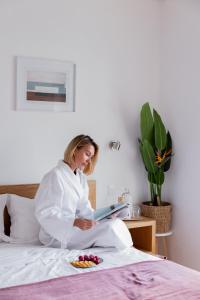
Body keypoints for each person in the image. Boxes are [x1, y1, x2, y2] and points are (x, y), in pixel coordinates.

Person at [35, 134, 132, 250]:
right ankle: (126, 255)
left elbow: (86, 211)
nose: (88, 161)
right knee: (109, 228)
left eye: (91, 157)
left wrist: (106, 216)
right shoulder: (54, 176)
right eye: (87, 154)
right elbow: (44, 212)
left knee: (115, 223)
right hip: (57, 235)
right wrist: (74, 222)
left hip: (75, 228)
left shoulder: (80, 178)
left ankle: (129, 256)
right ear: (75, 150)